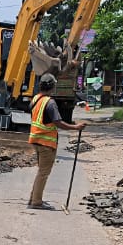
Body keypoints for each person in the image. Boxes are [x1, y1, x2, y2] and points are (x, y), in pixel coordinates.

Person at [27, 73, 86, 210]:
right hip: (46, 143)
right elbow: (58, 122)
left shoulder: (36, 99)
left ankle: (33, 198)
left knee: (41, 171)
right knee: (43, 173)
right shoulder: (50, 103)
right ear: (53, 87)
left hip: (35, 139)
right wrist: (75, 127)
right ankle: (36, 201)